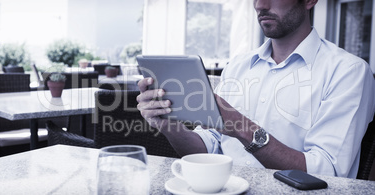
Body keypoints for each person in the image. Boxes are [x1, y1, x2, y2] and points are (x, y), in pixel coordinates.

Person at [136, 0, 375, 178]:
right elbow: (210, 146)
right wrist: (168, 126)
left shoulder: (348, 72)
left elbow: (327, 173)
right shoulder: (238, 65)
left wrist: (242, 127)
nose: (260, 5)